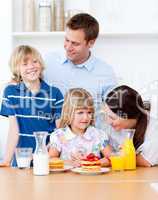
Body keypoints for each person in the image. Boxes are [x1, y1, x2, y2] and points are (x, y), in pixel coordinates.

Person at [0, 45, 63, 167]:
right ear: (17, 69)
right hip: (20, 160)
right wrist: (7, 161)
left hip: (48, 158)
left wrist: (46, 151)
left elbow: (59, 131)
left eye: (35, 61)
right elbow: (14, 130)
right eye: (25, 64)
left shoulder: (55, 93)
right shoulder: (10, 92)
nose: (31, 67)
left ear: (40, 64)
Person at [44, 13, 117, 100]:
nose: (68, 47)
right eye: (67, 40)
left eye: (75, 43)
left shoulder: (105, 73)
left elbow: (113, 109)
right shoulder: (48, 62)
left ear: (91, 43)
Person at [49, 88, 111, 166]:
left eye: (89, 112)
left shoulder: (98, 135)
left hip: (92, 177)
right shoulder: (59, 135)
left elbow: (111, 158)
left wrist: (94, 162)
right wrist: (70, 163)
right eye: (80, 112)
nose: (85, 117)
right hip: (66, 178)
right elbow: (50, 159)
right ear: (68, 113)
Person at [103, 85, 158, 167]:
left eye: (113, 118)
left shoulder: (154, 129)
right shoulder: (113, 128)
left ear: (132, 117)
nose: (108, 121)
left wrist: (111, 160)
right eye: (106, 115)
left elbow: (145, 161)